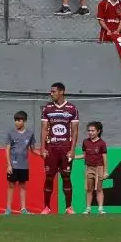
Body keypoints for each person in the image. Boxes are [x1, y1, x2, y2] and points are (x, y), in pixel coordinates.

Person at [39, 82, 79, 215]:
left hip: (65, 148)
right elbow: (44, 129)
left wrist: (72, 150)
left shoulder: (72, 108)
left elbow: (74, 131)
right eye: (51, 92)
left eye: (53, 91)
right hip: (51, 149)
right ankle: (46, 207)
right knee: (49, 177)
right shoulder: (47, 109)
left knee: (66, 177)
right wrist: (43, 148)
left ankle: (68, 207)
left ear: (61, 92)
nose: (51, 94)